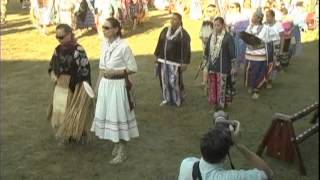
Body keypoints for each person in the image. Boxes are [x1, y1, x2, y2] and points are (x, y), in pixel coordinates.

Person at [91, 17, 139, 164]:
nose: (103, 30)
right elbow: (101, 68)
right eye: (103, 27)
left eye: (106, 28)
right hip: (106, 86)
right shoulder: (104, 44)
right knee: (109, 114)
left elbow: (133, 68)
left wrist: (115, 73)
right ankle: (117, 145)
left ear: (116, 29)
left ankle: (122, 150)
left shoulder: (124, 46)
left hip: (118, 87)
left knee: (118, 116)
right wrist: (97, 87)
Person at [48, 24, 93, 144]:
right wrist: (53, 74)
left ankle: (80, 133)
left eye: (61, 37)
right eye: (57, 37)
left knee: (75, 109)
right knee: (62, 111)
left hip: (75, 86)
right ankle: (66, 134)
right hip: (61, 85)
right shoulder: (57, 50)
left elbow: (85, 69)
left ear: (69, 34)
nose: (59, 40)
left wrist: (79, 88)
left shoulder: (78, 49)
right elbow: (52, 66)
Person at [178, 128, 274, 180]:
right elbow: (268, 173)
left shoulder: (186, 163)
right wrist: (239, 145)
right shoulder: (230, 177)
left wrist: (216, 139)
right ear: (224, 157)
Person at [154, 12, 191, 107]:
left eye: (175, 19)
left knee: (174, 81)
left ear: (180, 21)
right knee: (164, 80)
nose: (172, 21)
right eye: (171, 18)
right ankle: (166, 98)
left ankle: (177, 100)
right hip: (163, 60)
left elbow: (186, 49)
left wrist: (185, 62)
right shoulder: (165, 30)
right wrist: (157, 56)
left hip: (175, 62)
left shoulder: (183, 34)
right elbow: (160, 43)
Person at [203, 17, 236, 111]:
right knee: (213, 87)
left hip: (223, 66)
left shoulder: (228, 37)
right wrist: (204, 63)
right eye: (214, 25)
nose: (216, 27)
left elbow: (232, 53)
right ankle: (214, 104)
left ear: (223, 25)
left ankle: (221, 105)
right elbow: (206, 51)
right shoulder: (211, 36)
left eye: (218, 25)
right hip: (213, 66)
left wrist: (233, 66)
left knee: (222, 86)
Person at [244, 8, 268, 100]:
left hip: (259, 55)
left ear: (259, 18)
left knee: (258, 72)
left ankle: (256, 89)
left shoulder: (265, 28)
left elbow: (259, 40)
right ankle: (251, 86)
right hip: (249, 54)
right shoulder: (249, 27)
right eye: (252, 16)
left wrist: (251, 39)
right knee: (249, 71)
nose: (252, 18)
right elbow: (246, 36)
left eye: (254, 16)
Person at [199, 4, 218, 93]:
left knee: (214, 67)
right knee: (206, 66)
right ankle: (205, 83)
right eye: (208, 11)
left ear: (216, 11)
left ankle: (213, 85)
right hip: (206, 49)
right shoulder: (205, 22)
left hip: (216, 50)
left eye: (211, 11)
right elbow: (201, 34)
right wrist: (204, 39)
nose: (209, 13)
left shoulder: (219, 22)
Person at [264, 9, 284, 88]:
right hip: (267, 45)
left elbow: (282, 37)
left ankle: (270, 80)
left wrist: (281, 50)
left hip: (276, 45)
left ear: (273, 17)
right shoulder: (265, 25)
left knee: (273, 64)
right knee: (267, 63)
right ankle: (266, 79)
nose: (267, 18)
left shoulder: (278, 24)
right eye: (266, 16)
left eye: (269, 16)